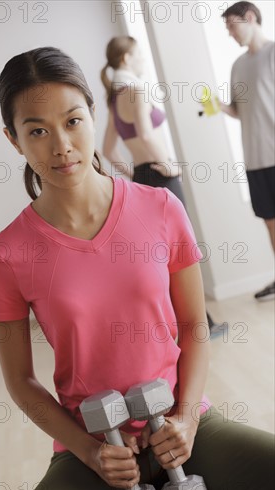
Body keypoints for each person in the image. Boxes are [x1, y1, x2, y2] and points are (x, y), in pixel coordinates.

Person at [0, 47, 274, 490]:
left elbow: (193, 328)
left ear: (93, 115)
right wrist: (90, 452)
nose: (61, 145)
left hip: (187, 425)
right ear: (13, 139)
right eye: (37, 130)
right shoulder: (7, 254)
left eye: (73, 121)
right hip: (91, 449)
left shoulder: (160, 207)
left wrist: (184, 417)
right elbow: (21, 380)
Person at [100, 36, 226, 338]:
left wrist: (135, 175)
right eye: (139, 54)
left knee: (163, 256)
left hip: (144, 177)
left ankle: (188, 326)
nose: (143, 59)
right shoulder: (136, 91)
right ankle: (200, 327)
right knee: (183, 252)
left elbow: (107, 149)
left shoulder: (115, 98)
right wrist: (167, 164)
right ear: (127, 60)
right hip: (161, 176)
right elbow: (145, 132)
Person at [220, 1, 275, 301]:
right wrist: (218, 106)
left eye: (232, 25)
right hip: (255, 158)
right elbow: (241, 111)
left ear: (250, 17)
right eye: (226, 28)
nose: (229, 33)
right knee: (270, 219)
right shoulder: (238, 66)